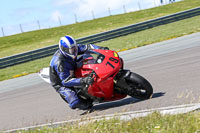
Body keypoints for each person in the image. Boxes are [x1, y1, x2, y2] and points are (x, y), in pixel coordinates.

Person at [49, 35, 108, 110]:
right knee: (76, 102)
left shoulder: (74, 48)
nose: (74, 51)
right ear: (65, 50)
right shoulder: (59, 62)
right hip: (61, 82)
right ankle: (85, 100)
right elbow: (65, 81)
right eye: (71, 50)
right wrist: (83, 80)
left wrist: (101, 49)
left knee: (87, 56)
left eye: (75, 48)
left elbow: (88, 47)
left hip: (72, 66)